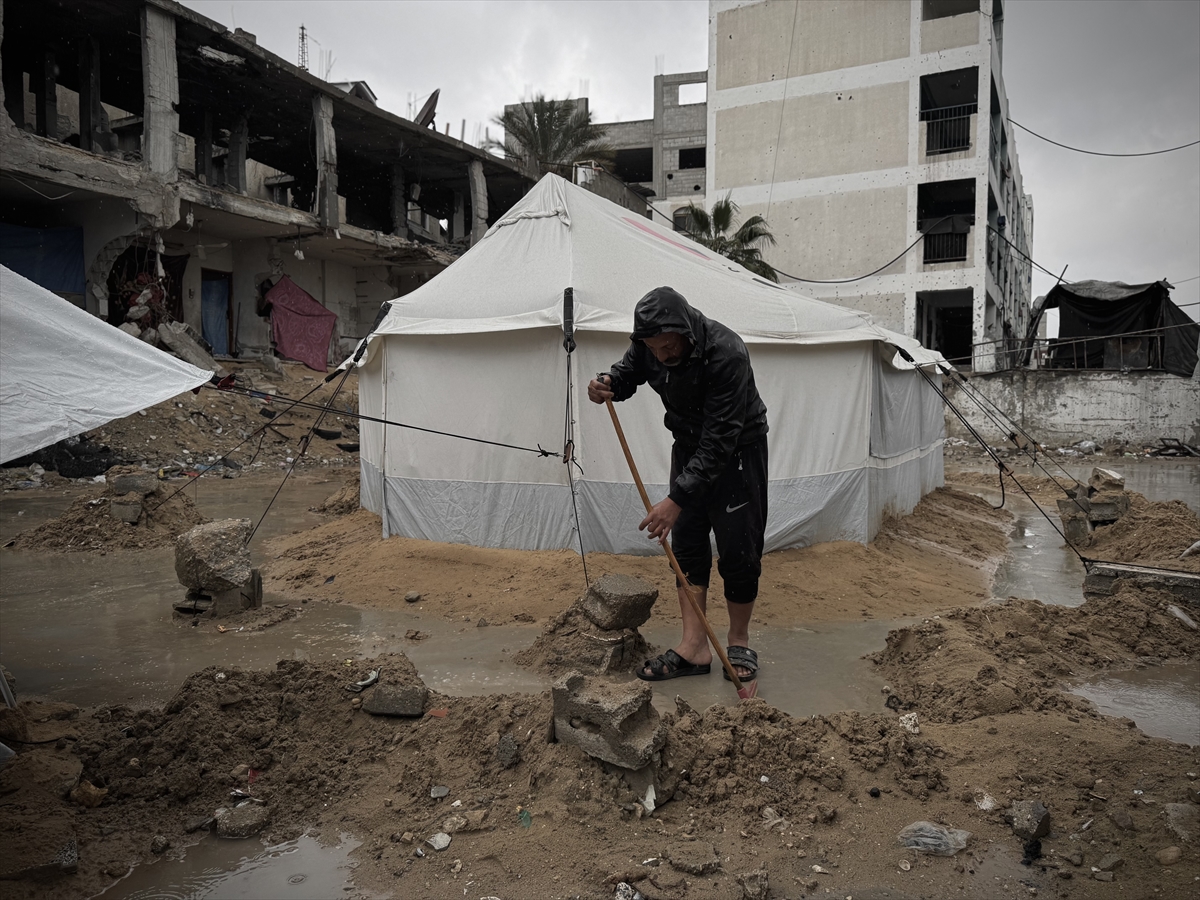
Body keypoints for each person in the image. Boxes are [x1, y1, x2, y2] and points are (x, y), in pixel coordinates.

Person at [587, 286, 769, 684]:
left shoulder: (727, 353)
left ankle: (738, 641)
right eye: (654, 349)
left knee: (739, 550)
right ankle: (695, 647)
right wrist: (608, 383)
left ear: (685, 331)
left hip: (737, 452)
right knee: (686, 545)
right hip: (688, 448)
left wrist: (674, 500)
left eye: (668, 347)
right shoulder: (650, 345)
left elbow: (720, 440)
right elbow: (628, 372)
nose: (662, 356)